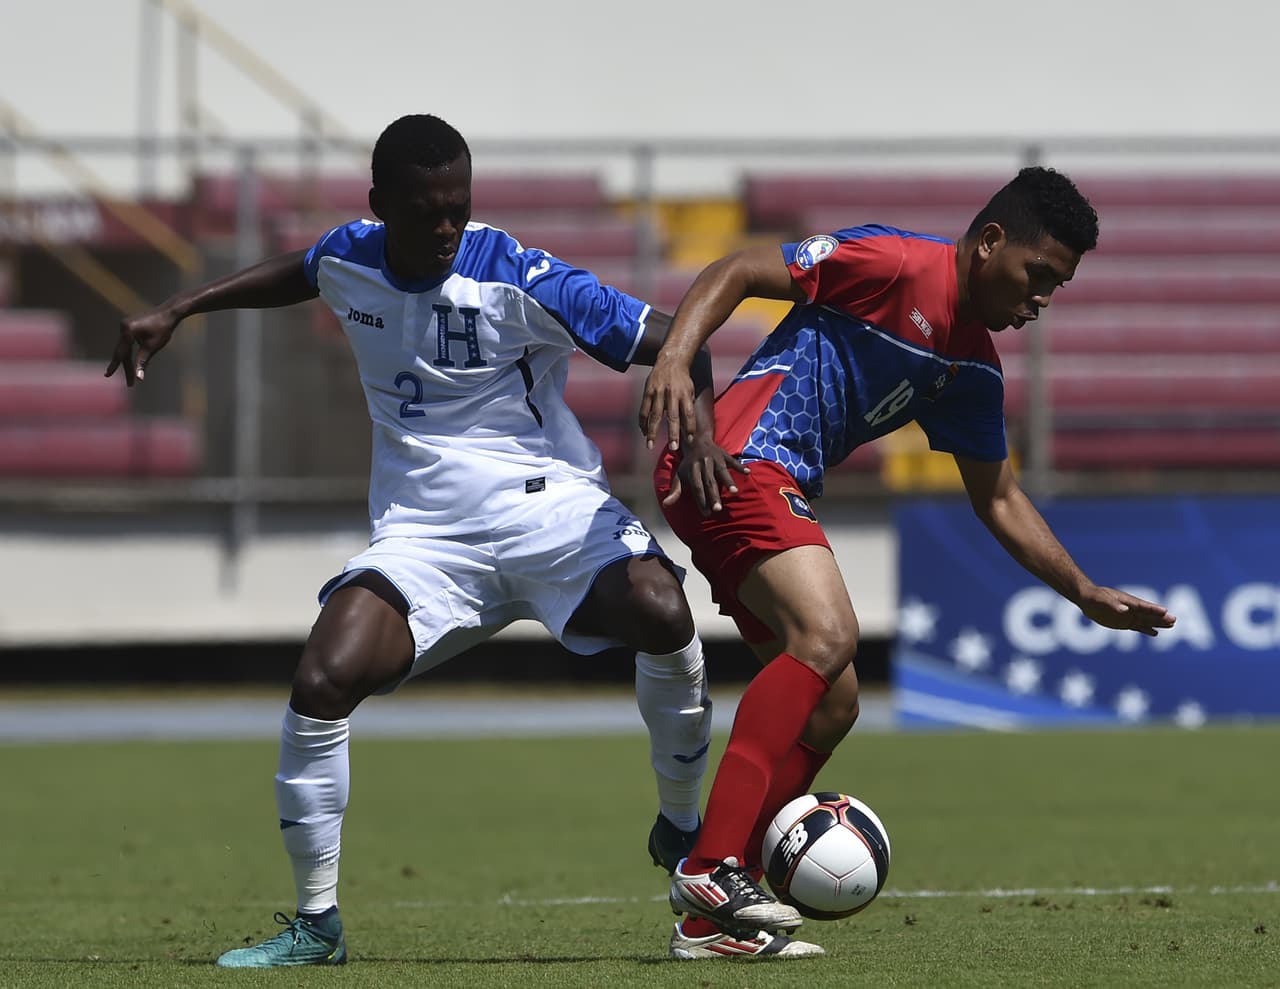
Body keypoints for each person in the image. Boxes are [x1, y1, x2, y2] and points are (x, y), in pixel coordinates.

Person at [105, 113, 758, 965]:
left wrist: (698, 429)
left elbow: (680, 338)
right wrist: (178, 310)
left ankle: (680, 828)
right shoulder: (351, 255)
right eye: (426, 212)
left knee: (662, 608)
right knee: (320, 678)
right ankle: (316, 923)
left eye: (459, 207)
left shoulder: (518, 275)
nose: (447, 227)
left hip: (548, 512)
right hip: (425, 536)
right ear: (382, 207)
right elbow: (301, 271)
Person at [637, 166, 1179, 952]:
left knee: (834, 701)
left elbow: (998, 498)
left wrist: (1083, 590)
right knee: (827, 637)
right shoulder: (893, 262)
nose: (1041, 298)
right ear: (991, 241)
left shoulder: (973, 369)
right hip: (730, 458)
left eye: (1056, 287)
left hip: (766, 479)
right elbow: (739, 268)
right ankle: (712, 861)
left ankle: (709, 916)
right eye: (1037, 275)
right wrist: (677, 357)